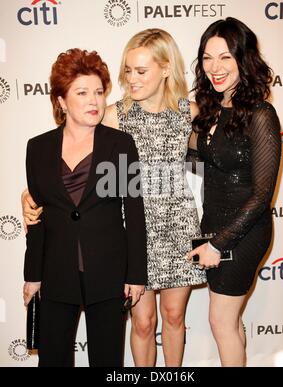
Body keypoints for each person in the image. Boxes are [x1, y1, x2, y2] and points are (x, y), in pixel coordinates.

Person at [22, 29, 206, 367]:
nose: (131, 79)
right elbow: (73, 167)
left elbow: (220, 158)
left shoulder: (189, 112)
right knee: (143, 321)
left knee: (174, 316)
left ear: (166, 69)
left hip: (177, 225)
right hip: (129, 228)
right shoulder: (111, 114)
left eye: (141, 71)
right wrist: (29, 196)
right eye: (127, 70)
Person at [23, 48, 147, 367]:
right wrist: (32, 275)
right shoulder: (37, 149)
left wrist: (135, 275)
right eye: (82, 93)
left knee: (107, 362)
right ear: (62, 101)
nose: (94, 101)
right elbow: (36, 218)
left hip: (108, 273)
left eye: (98, 92)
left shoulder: (119, 144)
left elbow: (133, 213)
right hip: (55, 273)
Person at [188, 17, 281, 367]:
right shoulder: (210, 110)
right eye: (208, 58)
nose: (215, 67)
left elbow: (262, 196)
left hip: (243, 232)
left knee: (220, 321)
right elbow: (191, 165)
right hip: (212, 223)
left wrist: (218, 243)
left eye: (225, 57)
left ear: (244, 59)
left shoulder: (261, 114)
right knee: (231, 321)